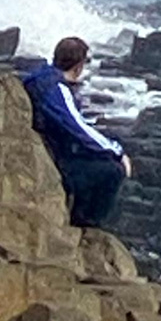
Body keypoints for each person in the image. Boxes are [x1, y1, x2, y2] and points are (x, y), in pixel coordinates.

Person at [22, 35, 132, 229]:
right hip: (57, 159)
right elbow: (76, 127)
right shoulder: (55, 88)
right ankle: (86, 226)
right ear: (79, 66)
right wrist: (117, 151)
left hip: (50, 149)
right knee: (112, 170)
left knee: (98, 158)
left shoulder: (40, 77)